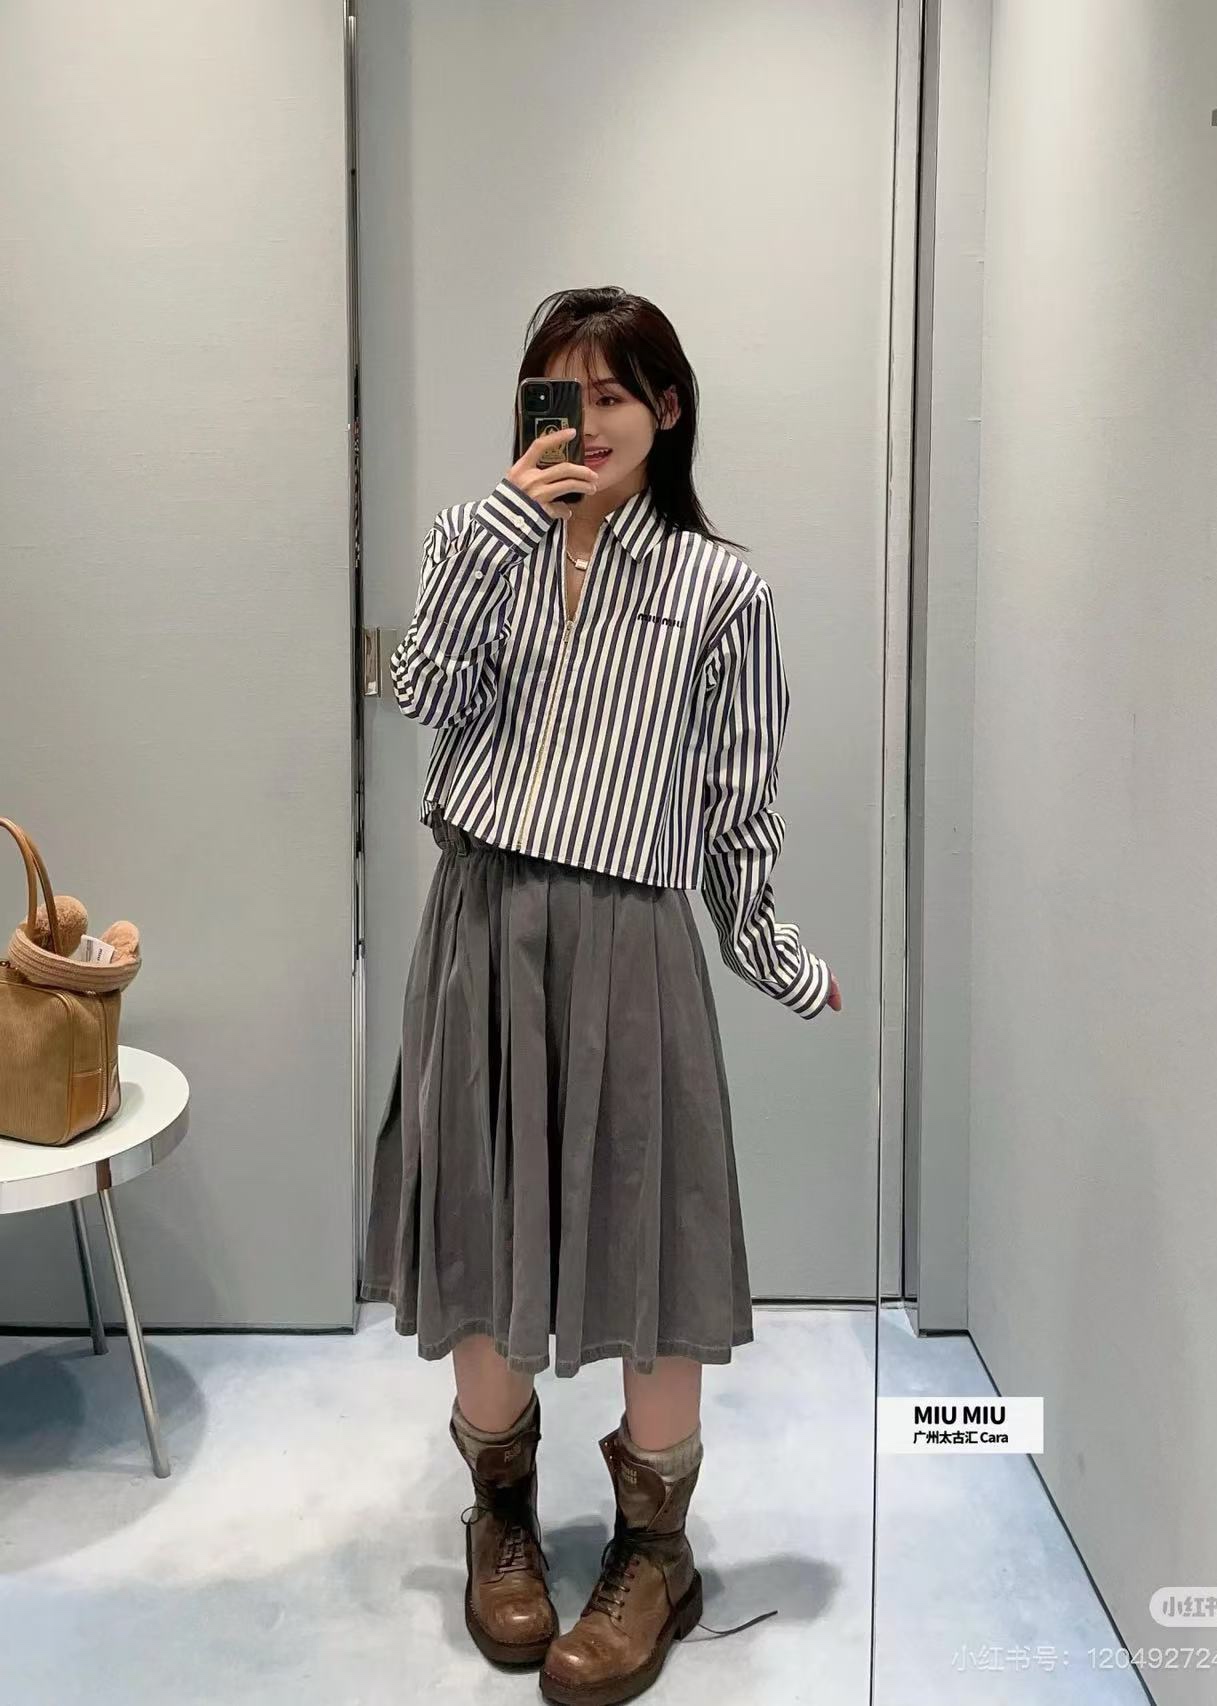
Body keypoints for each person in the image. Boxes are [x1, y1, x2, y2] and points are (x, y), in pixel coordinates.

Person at [359, 286, 841, 1706]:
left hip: (632, 937)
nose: (588, 421)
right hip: (481, 924)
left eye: (615, 393)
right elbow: (417, 693)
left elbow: (736, 800)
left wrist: (769, 950)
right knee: (481, 1223)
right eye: (560, 394)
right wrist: (500, 528)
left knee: (652, 1241)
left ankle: (654, 1553)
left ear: (667, 410)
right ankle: (499, 1519)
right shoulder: (479, 545)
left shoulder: (720, 588)